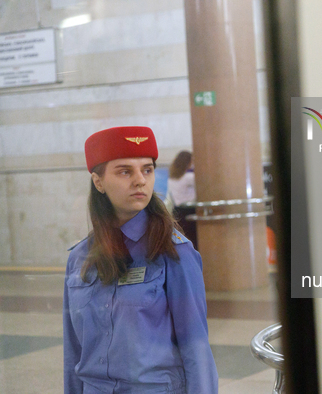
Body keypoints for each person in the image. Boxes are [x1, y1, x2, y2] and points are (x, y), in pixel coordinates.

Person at [63, 126, 218, 394]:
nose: (140, 180)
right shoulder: (80, 257)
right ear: (98, 181)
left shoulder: (173, 252)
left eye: (147, 169)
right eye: (125, 171)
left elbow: (196, 348)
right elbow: (73, 352)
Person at [167, 151, 198, 249]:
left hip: (177, 212)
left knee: (183, 242)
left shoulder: (171, 178)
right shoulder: (188, 177)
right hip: (190, 211)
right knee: (194, 242)